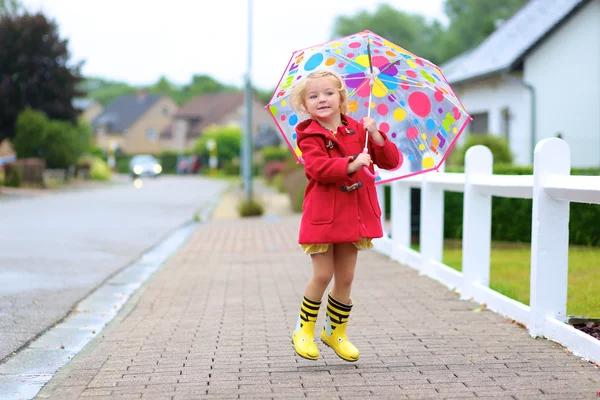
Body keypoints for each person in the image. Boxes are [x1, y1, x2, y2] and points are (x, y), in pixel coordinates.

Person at [289, 70, 402, 361]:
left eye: (328, 93)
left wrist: (376, 135)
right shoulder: (309, 135)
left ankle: (335, 331)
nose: (321, 99)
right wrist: (351, 164)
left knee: (347, 277)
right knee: (323, 274)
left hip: (353, 214)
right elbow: (316, 169)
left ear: (342, 98)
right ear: (305, 105)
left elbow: (391, 161)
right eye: (313, 96)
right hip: (325, 214)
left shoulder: (360, 130)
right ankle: (304, 330)